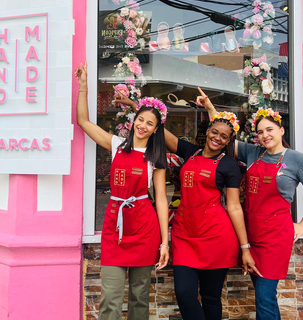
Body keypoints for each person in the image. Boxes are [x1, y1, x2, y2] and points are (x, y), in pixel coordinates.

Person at [114, 91, 261, 320]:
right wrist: (135, 105)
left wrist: (245, 248)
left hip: (216, 237)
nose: (218, 139)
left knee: (211, 298)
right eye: (215, 132)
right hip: (184, 235)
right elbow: (159, 130)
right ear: (207, 132)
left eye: (224, 137)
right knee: (184, 294)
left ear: (228, 140)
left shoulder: (229, 166)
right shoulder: (189, 152)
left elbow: (233, 207)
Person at [198, 88, 303, 320]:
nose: (265, 135)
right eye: (260, 132)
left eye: (269, 129)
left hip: (276, 238)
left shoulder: (297, 159)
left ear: (281, 130)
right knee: (263, 295)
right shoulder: (253, 153)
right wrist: (209, 108)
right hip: (251, 235)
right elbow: (222, 133)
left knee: (265, 296)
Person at [75, 62, 170, 320]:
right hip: (115, 229)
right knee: (110, 299)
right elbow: (83, 122)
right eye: (140, 119)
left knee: (140, 298)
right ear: (134, 120)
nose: (143, 126)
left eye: (150, 123)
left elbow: (161, 200)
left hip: (144, 229)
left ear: (155, 129)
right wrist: (83, 87)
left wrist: (164, 242)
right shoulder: (116, 145)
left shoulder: (155, 158)